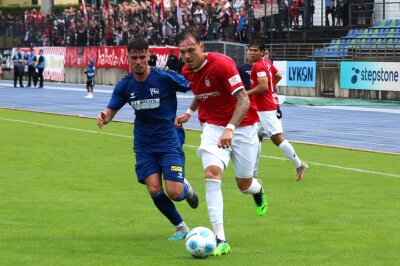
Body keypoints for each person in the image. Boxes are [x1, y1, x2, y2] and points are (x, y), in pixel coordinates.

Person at [174, 31, 267, 256]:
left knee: (244, 185)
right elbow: (201, 93)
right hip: (213, 127)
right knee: (212, 174)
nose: (187, 56)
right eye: (182, 52)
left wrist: (230, 128)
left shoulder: (222, 64)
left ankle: (258, 189)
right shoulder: (187, 70)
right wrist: (188, 112)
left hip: (242, 126)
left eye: (191, 50)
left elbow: (243, 100)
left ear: (201, 47)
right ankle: (220, 239)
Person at [97, 38, 198, 241]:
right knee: (153, 188)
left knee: (174, 192)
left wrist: (189, 112)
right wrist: (103, 117)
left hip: (169, 141)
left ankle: (185, 188)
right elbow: (110, 111)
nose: (138, 62)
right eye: (134, 58)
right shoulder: (125, 85)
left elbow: (195, 85)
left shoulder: (165, 78)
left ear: (149, 55)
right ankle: (180, 227)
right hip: (144, 144)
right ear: (128, 57)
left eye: (142, 57)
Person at [246, 39, 308, 181]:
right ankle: (253, 172)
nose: (251, 52)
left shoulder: (259, 66)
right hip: (266, 106)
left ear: (262, 52)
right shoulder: (267, 62)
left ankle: (299, 165)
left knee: (277, 139)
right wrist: (271, 89)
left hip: (265, 108)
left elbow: (263, 86)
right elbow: (278, 75)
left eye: (255, 50)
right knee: (253, 137)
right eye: (250, 49)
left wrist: (246, 93)